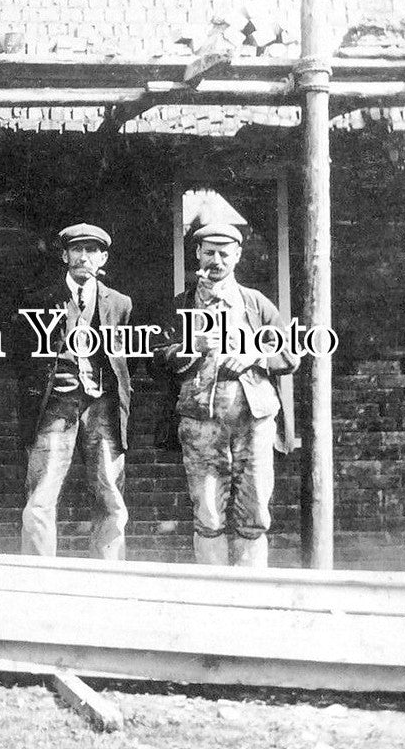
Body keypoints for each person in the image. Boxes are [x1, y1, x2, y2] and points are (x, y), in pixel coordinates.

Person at [152, 221, 299, 567]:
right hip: (201, 426)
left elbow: (290, 355)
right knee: (208, 513)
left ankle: (251, 597)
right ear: (198, 255)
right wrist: (190, 347)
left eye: (224, 253)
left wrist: (254, 356)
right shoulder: (180, 306)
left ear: (237, 256)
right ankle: (212, 600)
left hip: (254, 423)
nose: (216, 260)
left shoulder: (256, 304)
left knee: (255, 510)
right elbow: (155, 358)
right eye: (209, 253)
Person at [17, 223, 133, 560]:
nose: (84, 256)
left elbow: (125, 361)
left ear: (103, 257)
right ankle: (40, 578)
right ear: (65, 254)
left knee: (110, 494)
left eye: (92, 250)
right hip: (56, 407)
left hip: (102, 409)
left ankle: (108, 578)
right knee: (41, 495)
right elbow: (25, 358)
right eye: (77, 249)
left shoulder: (120, 304)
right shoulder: (41, 299)